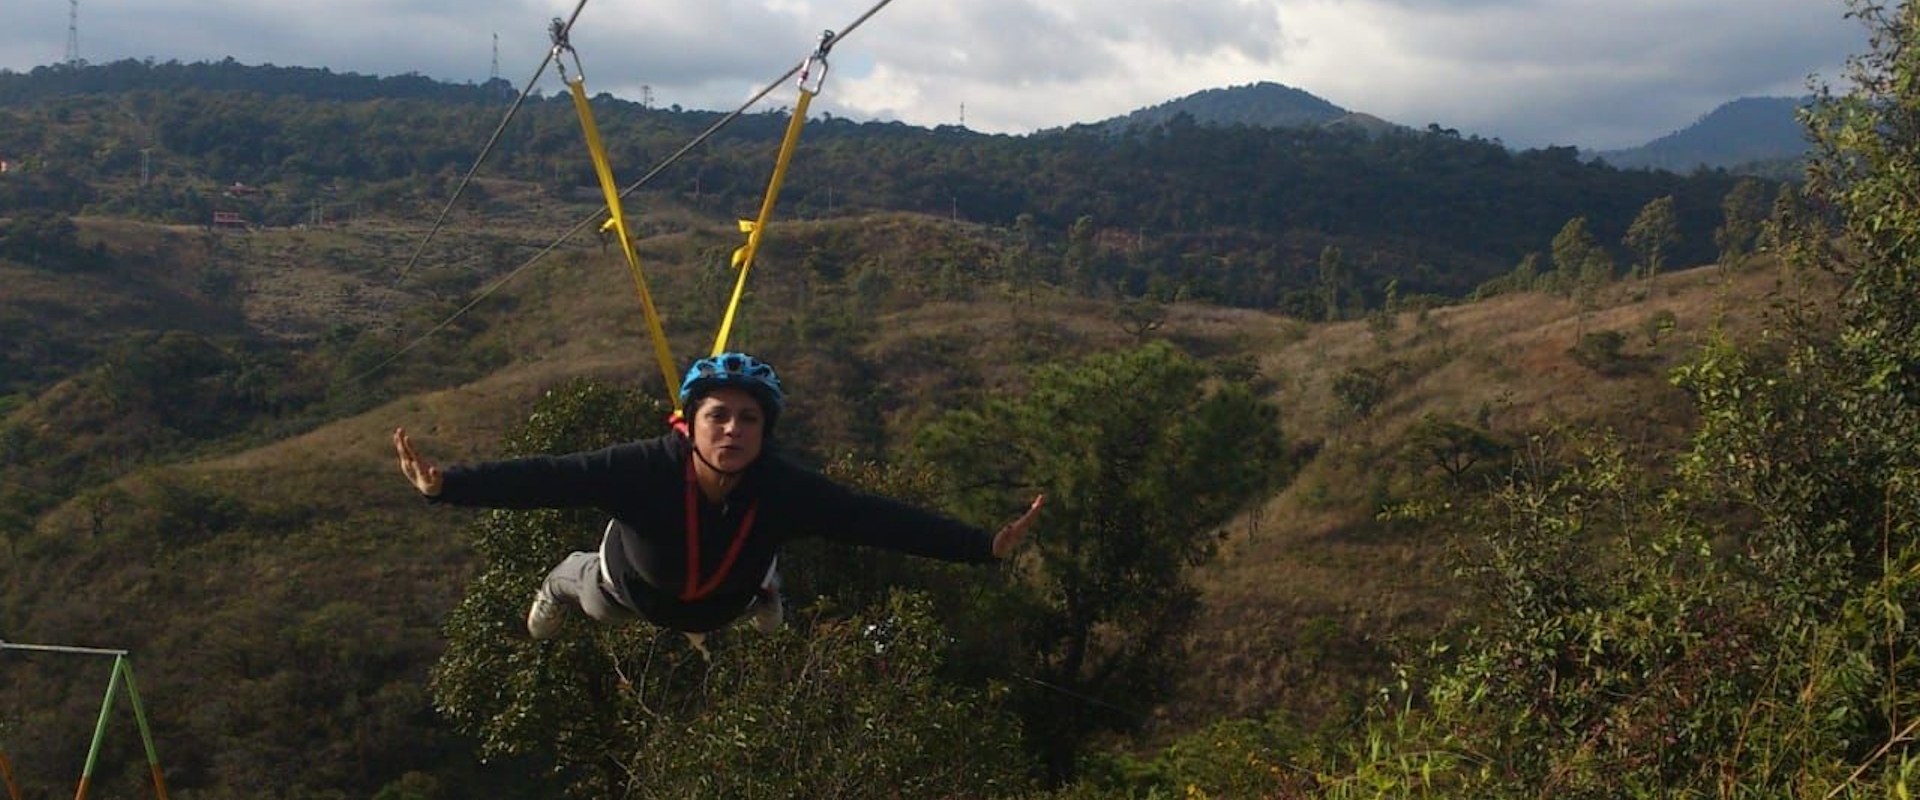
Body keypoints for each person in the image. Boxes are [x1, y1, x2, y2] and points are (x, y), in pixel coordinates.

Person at [394, 352, 1044, 652]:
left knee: (756, 568)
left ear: (765, 433)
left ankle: (766, 584)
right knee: (587, 595)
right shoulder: (643, 469)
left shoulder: (783, 488)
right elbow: (548, 478)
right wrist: (450, 485)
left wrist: (980, 546)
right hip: (629, 594)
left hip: (724, 602)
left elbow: (877, 519)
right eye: (719, 417)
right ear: (689, 424)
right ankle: (558, 581)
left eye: (748, 421)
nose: (733, 430)